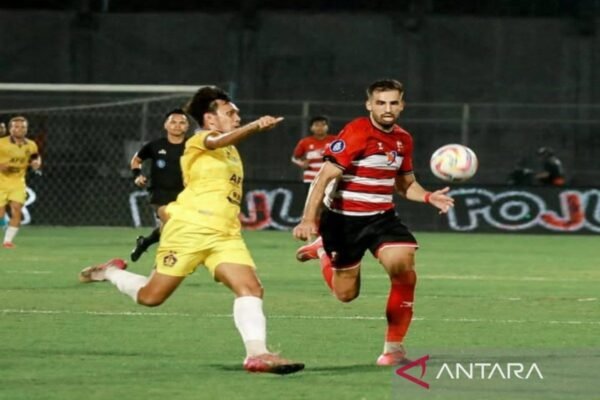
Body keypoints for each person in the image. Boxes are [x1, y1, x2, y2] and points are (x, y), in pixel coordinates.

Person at [79, 86, 304, 375]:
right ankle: (110, 272)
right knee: (151, 297)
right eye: (230, 113)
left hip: (225, 234)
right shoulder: (199, 140)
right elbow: (217, 140)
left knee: (250, 288)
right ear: (210, 119)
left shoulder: (231, 149)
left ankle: (257, 354)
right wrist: (254, 126)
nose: (237, 117)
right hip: (189, 230)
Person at [292, 79, 454, 366]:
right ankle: (322, 250)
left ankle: (393, 349)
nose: (387, 108)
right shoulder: (357, 132)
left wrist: (429, 197)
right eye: (380, 103)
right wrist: (308, 219)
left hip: (382, 218)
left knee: (403, 267)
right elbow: (323, 177)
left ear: (402, 105)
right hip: (343, 221)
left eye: (393, 102)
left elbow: (405, 185)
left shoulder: (403, 139)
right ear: (369, 104)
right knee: (346, 295)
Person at [129, 109, 190, 262]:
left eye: (182, 122)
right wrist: (137, 175)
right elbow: (136, 160)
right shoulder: (155, 146)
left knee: (168, 227)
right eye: (173, 122)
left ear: (187, 126)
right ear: (166, 125)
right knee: (174, 224)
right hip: (160, 194)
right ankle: (168, 261)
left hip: (185, 194)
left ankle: (145, 242)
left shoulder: (193, 146)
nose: (177, 126)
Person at [0, 116, 42, 248]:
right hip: (1, 181)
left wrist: (36, 163)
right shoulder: (1, 143)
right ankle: (2, 223)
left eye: (23, 127)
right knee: (0, 213)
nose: (20, 129)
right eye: (16, 127)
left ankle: (7, 241)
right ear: (10, 129)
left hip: (18, 182)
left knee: (17, 210)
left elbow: (35, 157)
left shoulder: (31, 144)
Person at [291, 115, 336, 185]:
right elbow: (294, 158)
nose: (320, 127)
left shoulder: (335, 140)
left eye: (323, 125)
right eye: (317, 125)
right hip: (310, 179)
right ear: (311, 128)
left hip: (330, 178)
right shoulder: (305, 142)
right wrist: (302, 164)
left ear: (327, 127)